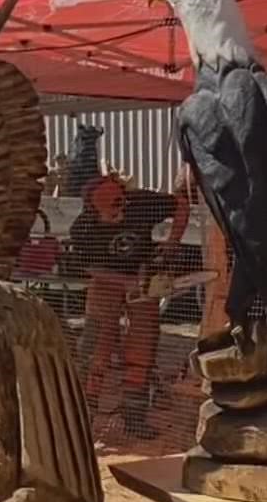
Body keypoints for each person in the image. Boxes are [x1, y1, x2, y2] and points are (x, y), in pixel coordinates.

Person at [68, 173, 188, 439]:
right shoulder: (83, 229)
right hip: (106, 281)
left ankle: (134, 416)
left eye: (121, 203)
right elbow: (89, 268)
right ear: (94, 210)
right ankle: (83, 413)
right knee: (96, 345)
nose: (121, 210)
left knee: (142, 347)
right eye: (112, 208)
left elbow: (181, 205)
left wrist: (172, 243)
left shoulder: (141, 202)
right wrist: (125, 282)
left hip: (143, 279)